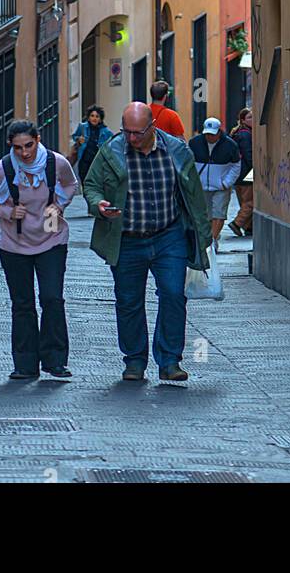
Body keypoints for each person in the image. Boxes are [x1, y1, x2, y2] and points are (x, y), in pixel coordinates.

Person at [83, 102, 212, 384]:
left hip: (169, 235)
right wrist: (98, 205)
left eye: (137, 133)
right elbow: (91, 186)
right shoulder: (111, 151)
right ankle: (134, 361)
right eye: (126, 131)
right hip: (127, 240)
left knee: (173, 295)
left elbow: (194, 194)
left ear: (152, 127)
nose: (131, 138)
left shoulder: (177, 151)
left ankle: (169, 361)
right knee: (128, 301)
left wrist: (203, 235)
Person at [0, 120, 78, 381]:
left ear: (38, 139)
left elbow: (70, 184)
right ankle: (25, 365)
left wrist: (59, 205)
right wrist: (7, 211)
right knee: (22, 304)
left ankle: (55, 361)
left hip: (51, 237)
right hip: (14, 242)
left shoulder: (55, 163)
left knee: (52, 298)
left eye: (29, 145)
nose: (24, 153)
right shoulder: (3, 169)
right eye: (18, 147)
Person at [188, 117, 241, 246]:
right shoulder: (194, 143)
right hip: (200, 187)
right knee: (204, 215)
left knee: (219, 213)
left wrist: (226, 183)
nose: (209, 137)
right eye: (207, 134)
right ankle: (208, 238)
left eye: (212, 134)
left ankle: (212, 240)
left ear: (219, 132)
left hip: (220, 187)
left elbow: (236, 165)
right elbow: (187, 161)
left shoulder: (230, 145)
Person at [68, 106, 114, 187]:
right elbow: (75, 136)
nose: (94, 118)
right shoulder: (82, 127)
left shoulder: (106, 132)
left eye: (97, 116)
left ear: (100, 119)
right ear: (88, 117)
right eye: (92, 116)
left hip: (97, 161)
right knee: (84, 181)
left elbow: (112, 143)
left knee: (96, 183)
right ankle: (87, 197)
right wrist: (79, 139)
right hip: (84, 159)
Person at [228, 109, 253, 237]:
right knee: (250, 202)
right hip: (246, 174)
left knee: (244, 202)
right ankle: (237, 223)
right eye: (250, 117)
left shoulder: (237, 133)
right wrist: (255, 170)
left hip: (237, 173)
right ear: (243, 120)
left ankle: (249, 227)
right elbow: (249, 156)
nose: (252, 120)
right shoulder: (246, 135)